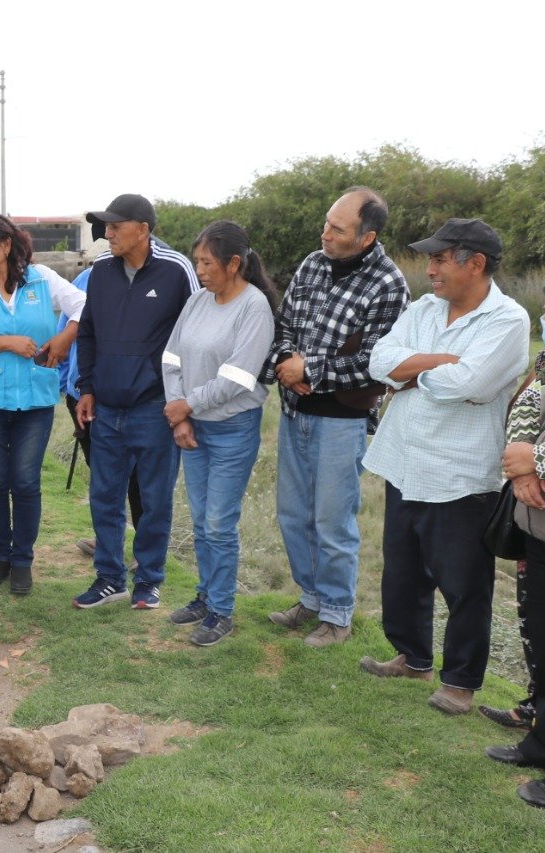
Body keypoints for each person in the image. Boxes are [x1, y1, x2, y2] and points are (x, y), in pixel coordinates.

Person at [359, 218, 529, 715]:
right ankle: (412, 657)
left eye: (439, 258)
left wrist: (411, 373)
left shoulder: (509, 320)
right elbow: (378, 361)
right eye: (430, 259)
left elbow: (470, 386)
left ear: (474, 263)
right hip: (404, 461)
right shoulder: (424, 307)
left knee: (464, 584)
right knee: (404, 573)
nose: (429, 268)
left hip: (459, 473)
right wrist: (439, 360)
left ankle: (460, 681)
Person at [264, 188, 411, 647]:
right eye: (327, 223)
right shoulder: (312, 263)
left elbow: (379, 362)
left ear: (367, 237)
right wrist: (287, 362)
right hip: (294, 411)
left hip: (341, 421)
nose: (325, 234)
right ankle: (309, 598)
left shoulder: (389, 284)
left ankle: (337, 613)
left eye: (338, 229)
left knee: (332, 520)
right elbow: (285, 322)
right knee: (293, 514)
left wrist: (310, 370)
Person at [72, 193, 200, 610]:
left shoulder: (177, 270)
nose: (106, 233)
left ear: (142, 230)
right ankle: (109, 578)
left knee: (154, 500)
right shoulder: (101, 272)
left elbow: (196, 335)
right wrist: (87, 387)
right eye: (105, 226)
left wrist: (183, 404)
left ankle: (148, 580)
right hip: (106, 407)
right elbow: (87, 332)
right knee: (104, 497)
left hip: (155, 408)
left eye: (114, 226)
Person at [0, 213, 86, 594]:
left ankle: (22, 559)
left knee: (25, 482)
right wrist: (4, 342)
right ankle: (0, 557)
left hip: (35, 402)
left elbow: (85, 307)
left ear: (6, 244)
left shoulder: (43, 279)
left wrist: (65, 338)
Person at [161, 221, 277, 646]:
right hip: (193, 428)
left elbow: (238, 377)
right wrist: (181, 415)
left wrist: (187, 405)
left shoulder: (254, 307)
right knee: (199, 518)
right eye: (197, 262)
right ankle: (205, 597)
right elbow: (171, 358)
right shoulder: (197, 302)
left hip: (232, 429)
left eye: (207, 262)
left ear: (234, 263)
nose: (201, 270)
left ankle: (222, 610)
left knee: (218, 523)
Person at [483, 270, 545, 808]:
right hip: (542, 526)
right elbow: (529, 404)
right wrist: (521, 468)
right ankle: (543, 741)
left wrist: (538, 459)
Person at [57, 245, 142, 558]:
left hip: (132, 398)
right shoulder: (85, 279)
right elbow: (65, 333)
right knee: (104, 476)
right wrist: (68, 387)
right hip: (83, 397)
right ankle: (109, 542)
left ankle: (143, 550)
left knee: (139, 478)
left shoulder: (151, 281)